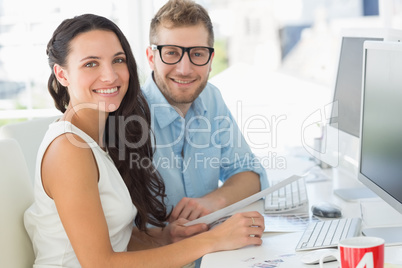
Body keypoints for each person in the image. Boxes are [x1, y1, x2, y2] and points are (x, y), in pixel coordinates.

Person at [23, 13, 264, 267]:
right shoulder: (69, 148)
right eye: (91, 64)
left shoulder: (98, 138)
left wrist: (164, 237)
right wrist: (213, 240)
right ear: (62, 75)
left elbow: (116, 238)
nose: (110, 75)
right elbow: (101, 263)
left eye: (118, 60)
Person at [143, 0, 269, 223]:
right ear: (152, 58)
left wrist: (214, 201)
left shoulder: (211, 98)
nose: (184, 69)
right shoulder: (129, 114)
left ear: (210, 60)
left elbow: (250, 174)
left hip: (212, 250)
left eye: (198, 54)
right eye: (171, 53)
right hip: (160, 254)